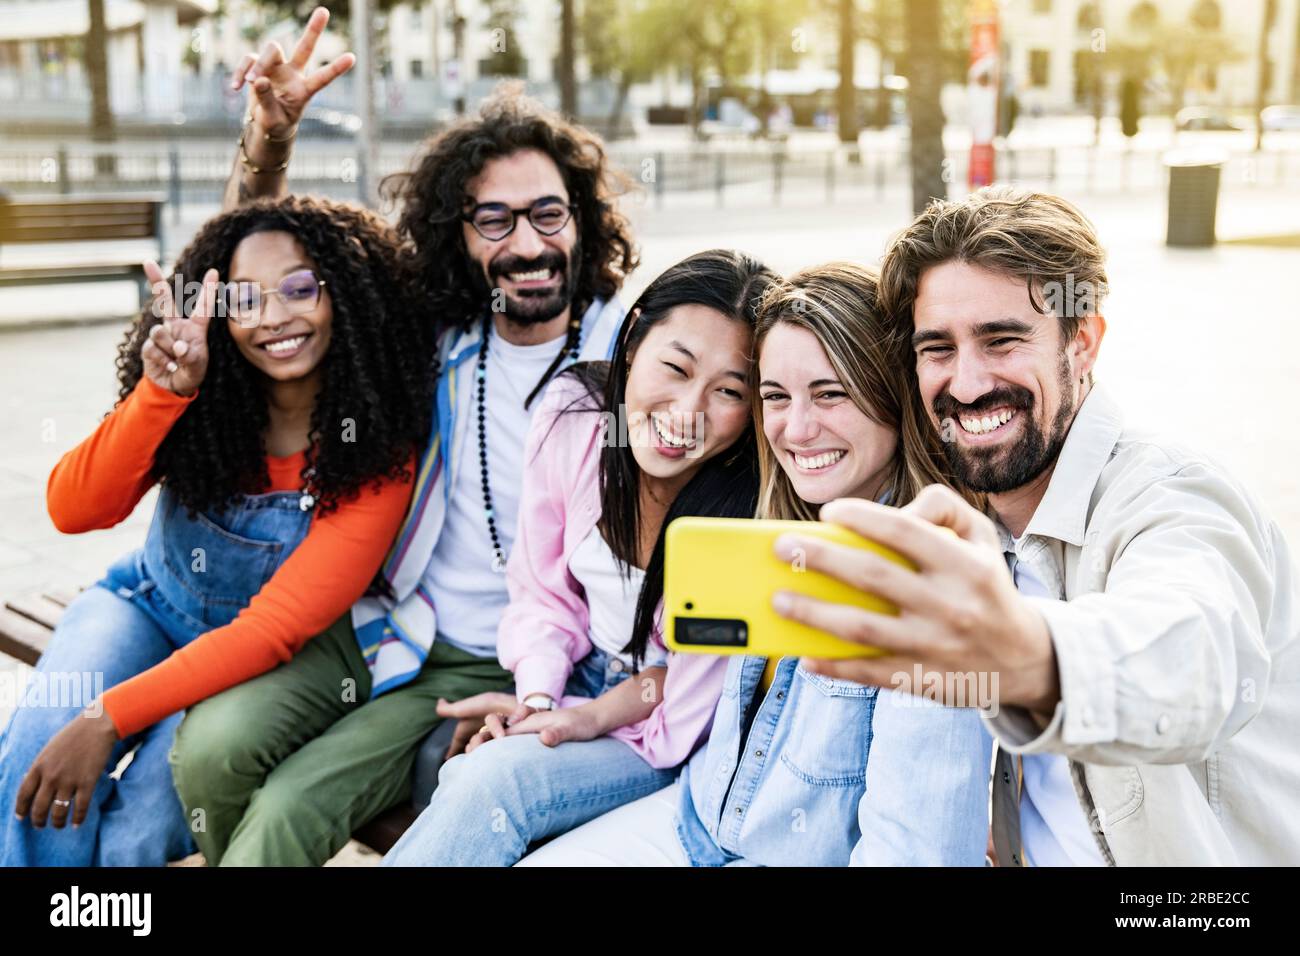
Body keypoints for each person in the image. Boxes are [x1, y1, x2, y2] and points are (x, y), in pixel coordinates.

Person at [171, 15, 637, 864]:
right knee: (210, 748)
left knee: (287, 812)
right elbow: (263, 266)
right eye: (493, 221)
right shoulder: (431, 335)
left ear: (581, 220)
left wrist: (545, 687)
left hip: (503, 660)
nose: (527, 245)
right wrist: (268, 143)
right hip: (390, 616)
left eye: (546, 214)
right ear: (458, 238)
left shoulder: (631, 356)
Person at [773, 187, 1300, 865]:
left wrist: (1029, 654)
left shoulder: (1174, 497)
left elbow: (1192, 655)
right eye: (938, 349)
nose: (966, 384)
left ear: (1082, 342)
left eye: (1001, 340)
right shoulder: (966, 527)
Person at [518, 263, 993, 866]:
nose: (796, 429)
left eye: (829, 393)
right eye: (775, 397)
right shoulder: (768, 529)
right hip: (696, 820)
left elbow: (918, 851)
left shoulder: (925, 581)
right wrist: (539, 697)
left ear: (892, 397)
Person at [0, 196, 426, 865]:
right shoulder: (206, 402)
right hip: (142, 606)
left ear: (342, 294)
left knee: (138, 832)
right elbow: (71, 508)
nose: (274, 317)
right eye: (245, 300)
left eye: (300, 289)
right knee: (34, 764)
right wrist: (162, 395)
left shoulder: (376, 447)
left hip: (249, 669)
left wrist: (105, 717)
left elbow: (271, 633)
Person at [382, 250, 778, 866]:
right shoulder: (577, 417)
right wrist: (539, 700)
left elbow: (687, 704)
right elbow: (544, 596)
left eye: (728, 390)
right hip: (580, 682)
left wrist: (583, 720)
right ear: (634, 336)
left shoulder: (750, 504)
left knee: (494, 782)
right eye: (676, 367)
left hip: (668, 730)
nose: (688, 412)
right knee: (473, 767)